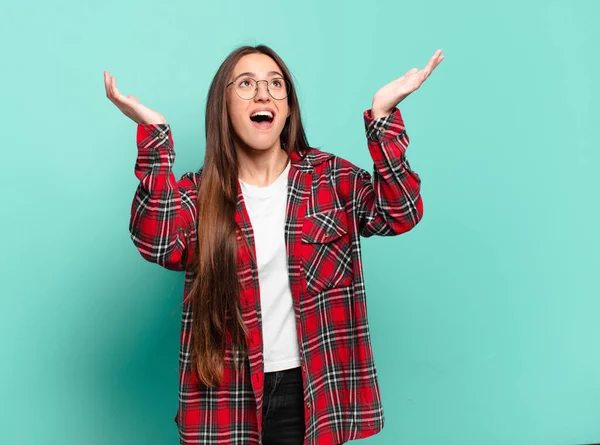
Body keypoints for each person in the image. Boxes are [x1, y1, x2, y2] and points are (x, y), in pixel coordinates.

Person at [104, 44, 444, 445]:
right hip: (226, 397)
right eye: (246, 84)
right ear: (224, 106)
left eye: (275, 84)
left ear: (286, 107)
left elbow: (400, 211)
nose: (263, 94)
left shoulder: (330, 179)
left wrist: (383, 117)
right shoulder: (197, 194)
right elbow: (157, 241)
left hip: (311, 392)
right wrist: (156, 140)